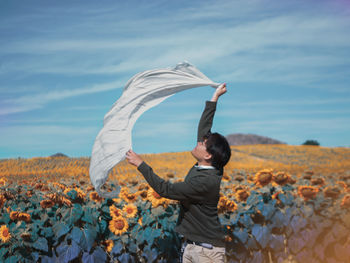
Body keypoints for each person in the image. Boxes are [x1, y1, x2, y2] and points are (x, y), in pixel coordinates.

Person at [126, 83, 231, 263]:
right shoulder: (208, 164)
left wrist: (141, 164)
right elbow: (204, 129)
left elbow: (165, 189)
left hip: (206, 254)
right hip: (193, 247)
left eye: (203, 143)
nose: (199, 141)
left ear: (207, 154)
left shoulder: (205, 182)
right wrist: (215, 97)